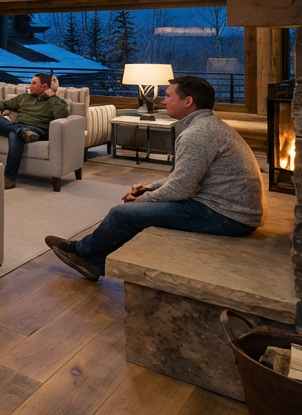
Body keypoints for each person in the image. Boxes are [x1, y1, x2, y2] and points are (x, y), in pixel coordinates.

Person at [46, 76, 265, 282]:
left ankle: (78, 250)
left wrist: (145, 199)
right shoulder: (205, 126)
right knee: (133, 212)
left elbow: (182, 188)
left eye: (168, 96)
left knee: (122, 214)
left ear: (188, 101)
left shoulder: (198, 134)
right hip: (226, 207)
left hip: (226, 215)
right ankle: (93, 263)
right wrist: (149, 187)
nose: (163, 100)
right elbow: (184, 175)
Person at [0, 72, 69, 190]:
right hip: (18, 126)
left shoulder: (54, 101)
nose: (30, 86)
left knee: (14, 135)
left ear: (44, 86)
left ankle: (9, 178)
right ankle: (21, 131)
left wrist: (52, 95)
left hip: (36, 130)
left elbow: (61, 115)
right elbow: (4, 104)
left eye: (33, 83)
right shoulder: (25, 98)